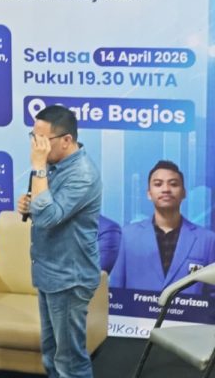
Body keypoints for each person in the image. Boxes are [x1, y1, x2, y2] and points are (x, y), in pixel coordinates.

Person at [17, 105, 101, 378]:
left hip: (70, 278)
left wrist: (38, 168)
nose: (36, 147)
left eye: (42, 140)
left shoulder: (82, 174)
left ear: (66, 140)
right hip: (50, 273)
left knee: (70, 362)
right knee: (52, 355)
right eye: (34, 137)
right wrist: (29, 206)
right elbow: (46, 210)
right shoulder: (54, 166)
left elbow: (49, 217)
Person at [110, 160, 215, 295]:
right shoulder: (126, 236)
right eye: (158, 184)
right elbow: (115, 291)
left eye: (173, 184)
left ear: (184, 192)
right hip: (136, 309)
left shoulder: (207, 240)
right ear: (149, 193)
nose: (166, 189)